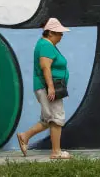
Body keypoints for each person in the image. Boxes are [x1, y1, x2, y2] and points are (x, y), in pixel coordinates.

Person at [16, 17, 72, 160]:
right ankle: (56, 152)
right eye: (59, 33)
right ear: (50, 33)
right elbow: (45, 67)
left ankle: (24, 136)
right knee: (56, 118)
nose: (62, 35)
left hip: (46, 87)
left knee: (48, 119)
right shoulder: (46, 45)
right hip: (48, 87)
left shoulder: (46, 44)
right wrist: (51, 87)